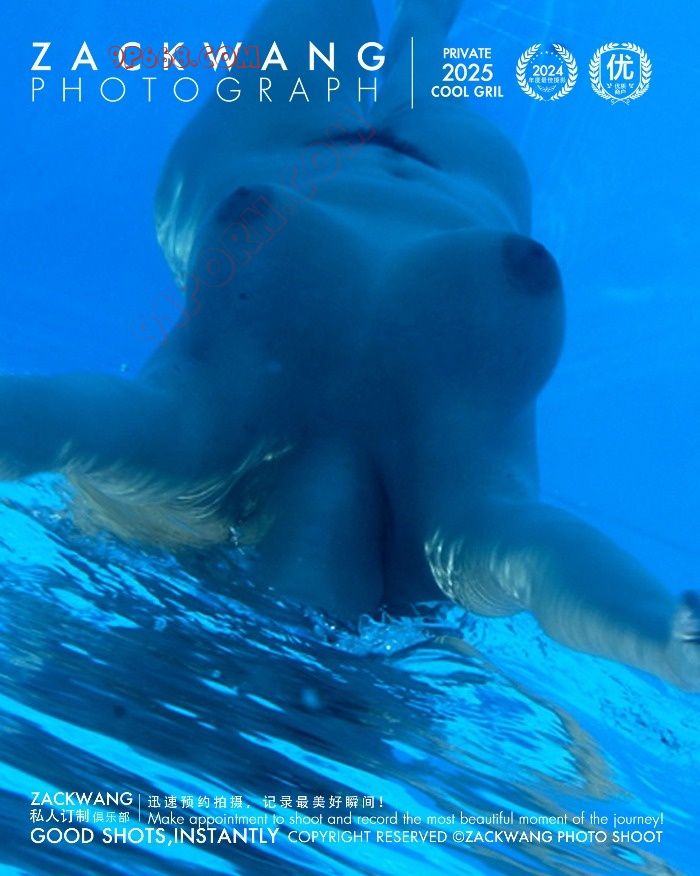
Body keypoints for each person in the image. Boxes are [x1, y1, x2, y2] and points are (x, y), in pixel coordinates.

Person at [1, 0, 698, 689]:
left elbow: (43, 419)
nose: (284, 645)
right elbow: (552, 569)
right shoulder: (450, 541)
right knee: (422, 34)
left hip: (264, 140)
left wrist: (664, 645)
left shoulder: (187, 463)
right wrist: (665, 644)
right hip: (464, 173)